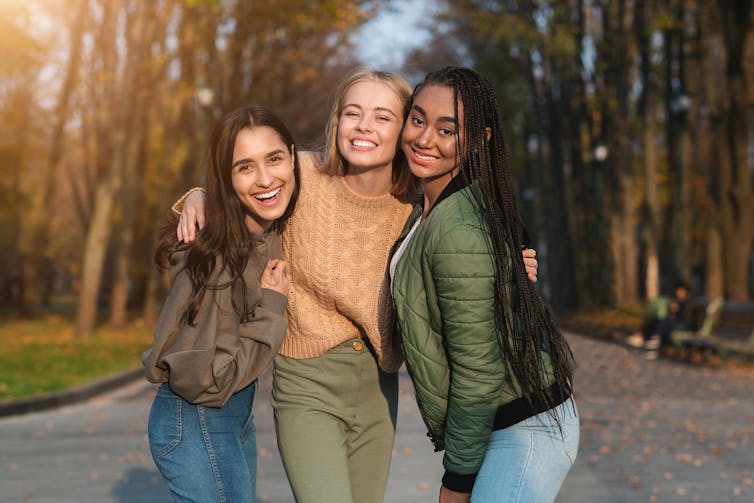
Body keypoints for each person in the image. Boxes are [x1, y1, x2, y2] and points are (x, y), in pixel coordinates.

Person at [174, 69, 540, 503]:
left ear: (404, 129)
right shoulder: (302, 177)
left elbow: (467, 248)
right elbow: (246, 182)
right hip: (306, 381)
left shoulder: (419, 204)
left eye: (383, 117)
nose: (364, 126)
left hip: (377, 385)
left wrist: (507, 263)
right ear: (337, 122)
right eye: (353, 112)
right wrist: (200, 196)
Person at [390, 67, 579, 503]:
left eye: (447, 130)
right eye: (417, 120)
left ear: (480, 139)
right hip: (497, 422)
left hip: (523, 428)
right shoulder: (433, 208)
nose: (424, 139)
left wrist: (456, 481)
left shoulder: (457, 226)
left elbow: (479, 370)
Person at [143, 105, 299, 502]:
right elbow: (206, 382)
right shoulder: (217, 258)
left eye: (274, 159)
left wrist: (197, 195)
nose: (266, 179)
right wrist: (271, 308)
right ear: (226, 178)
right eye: (244, 167)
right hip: (198, 419)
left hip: (228, 419)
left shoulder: (260, 226)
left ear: (293, 156)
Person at [626, 281, 691, 354]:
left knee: (663, 321)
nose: (679, 293)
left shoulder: (688, 303)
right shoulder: (674, 300)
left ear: (686, 292)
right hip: (671, 323)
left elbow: (684, 318)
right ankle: (641, 336)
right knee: (656, 320)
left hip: (681, 325)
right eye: (678, 291)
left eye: (681, 291)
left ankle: (655, 339)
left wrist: (677, 310)